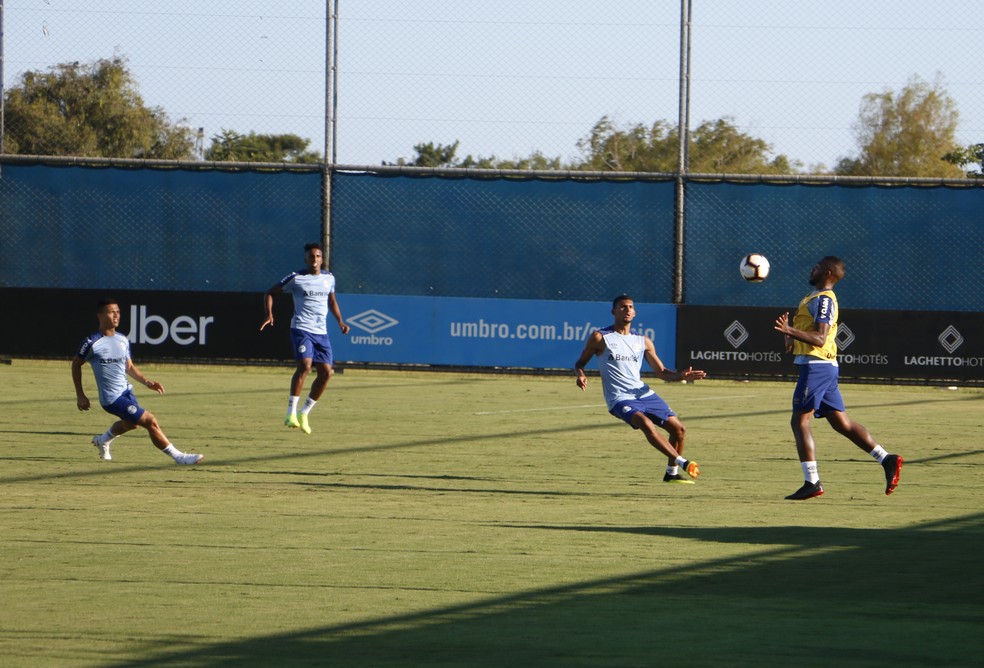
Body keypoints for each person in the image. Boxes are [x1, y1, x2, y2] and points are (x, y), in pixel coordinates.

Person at [774, 256, 903, 500]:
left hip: (817, 367)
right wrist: (789, 336)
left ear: (828, 273)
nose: (813, 269)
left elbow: (820, 338)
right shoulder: (812, 297)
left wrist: (790, 330)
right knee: (841, 423)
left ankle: (812, 482)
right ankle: (887, 459)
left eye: (818, 267)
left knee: (800, 421)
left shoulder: (824, 299)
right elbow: (804, 340)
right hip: (822, 366)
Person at [575, 294, 706, 483]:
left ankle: (671, 473)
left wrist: (681, 376)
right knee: (645, 423)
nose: (627, 310)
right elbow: (579, 363)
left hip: (644, 394)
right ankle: (683, 462)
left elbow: (662, 372)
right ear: (613, 311)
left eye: (630, 307)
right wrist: (580, 374)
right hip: (620, 398)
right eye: (623, 307)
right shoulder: (600, 337)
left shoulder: (643, 341)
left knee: (679, 430)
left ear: (635, 312)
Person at [71, 298, 204, 465]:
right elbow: (76, 364)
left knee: (133, 424)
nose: (116, 316)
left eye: (118, 312)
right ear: (100, 316)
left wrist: (147, 382)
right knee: (150, 421)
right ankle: (179, 457)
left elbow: (129, 367)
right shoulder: (91, 342)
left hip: (126, 391)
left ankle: (102, 440)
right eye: (111, 312)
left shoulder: (122, 339)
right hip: (111, 398)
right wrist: (80, 395)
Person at [261, 242, 349, 434]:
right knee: (306, 366)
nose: (314, 259)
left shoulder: (329, 278)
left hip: (321, 332)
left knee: (326, 373)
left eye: (318, 256)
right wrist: (269, 314)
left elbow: (331, 300)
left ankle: (304, 413)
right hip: (301, 329)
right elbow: (270, 292)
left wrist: (340, 322)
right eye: (311, 256)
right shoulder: (296, 278)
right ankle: (290, 413)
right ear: (306, 259)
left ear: (322, 259)